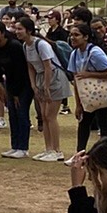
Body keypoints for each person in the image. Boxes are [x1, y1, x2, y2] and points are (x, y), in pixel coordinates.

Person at [15, 13, 67, 162]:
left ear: (29, 31)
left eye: (20, 29)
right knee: (43, 116)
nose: (17, 32)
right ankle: (48, 149)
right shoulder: (26, 46)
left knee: (51, 116)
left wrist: (46, 86)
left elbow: (48, 66)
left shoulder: (41, 44)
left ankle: (57, 151)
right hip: (40, 78)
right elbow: (30, 66)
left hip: (53, 78)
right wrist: (34, 85)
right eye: (16, 28)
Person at [0, 20, 32, 158]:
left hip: (24, 84)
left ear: (3, 33)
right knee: (12, 114)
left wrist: (16, 93)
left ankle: (23, 148)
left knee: (21, 113)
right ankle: (15, 146)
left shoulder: (14, 46)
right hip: (9, 83)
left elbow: (20, 71)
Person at [66, 21, 107, 146]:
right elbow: (76, 79)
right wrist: (78, 104)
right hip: (88, 95)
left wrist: (89, 74)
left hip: (103, 95)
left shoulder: (95, 52)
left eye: (76, 35)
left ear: (86, 37)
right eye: (71, 35)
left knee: (104, 124)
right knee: (84, 123)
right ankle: (80, 153)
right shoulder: (74, 54)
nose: (73, 38)